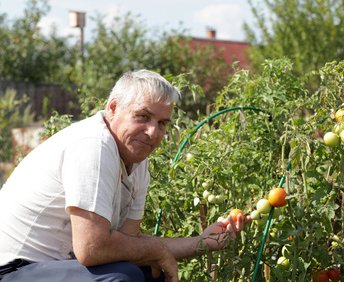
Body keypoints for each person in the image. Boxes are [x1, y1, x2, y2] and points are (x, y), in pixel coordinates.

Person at [0, 70, 250, 282]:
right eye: (143, 116)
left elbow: (128, 243)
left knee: (148, 271)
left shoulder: (137, 162)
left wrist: (202, 241)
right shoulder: (93, 145)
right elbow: (91, 248)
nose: (153, 132)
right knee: (122, 278)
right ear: (113, 108)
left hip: (54, 268)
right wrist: (156, 250)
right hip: (14, 269)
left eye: (162, 123)